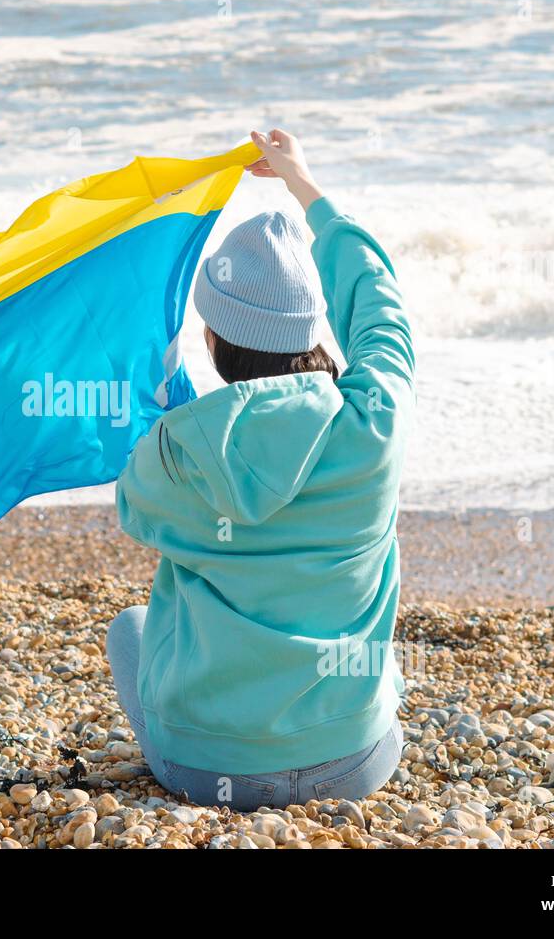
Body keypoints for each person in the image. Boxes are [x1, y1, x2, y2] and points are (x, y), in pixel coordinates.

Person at [106, 128, 415, 810]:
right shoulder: (374, 423)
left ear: (212, 341)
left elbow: (133, 504)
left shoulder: (177, 452)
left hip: (204, 767)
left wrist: (156, 371)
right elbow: (379, 300)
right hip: (354, 762)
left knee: (130, 625)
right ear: (312, 329)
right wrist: (305, 185)